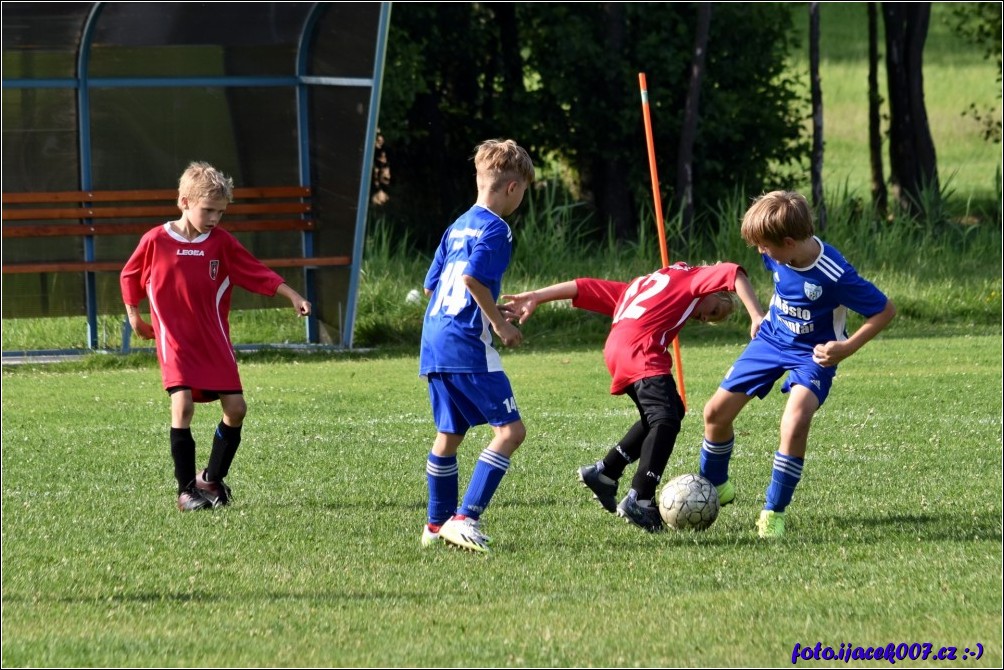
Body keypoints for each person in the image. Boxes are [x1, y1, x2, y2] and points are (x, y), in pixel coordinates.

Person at [503, 261, 763, 532]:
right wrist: (756, 315)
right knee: (665, 420)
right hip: (642, 351)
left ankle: (606, 472)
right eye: (714, 310)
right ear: (714, 289)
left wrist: (537, 296)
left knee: (671, 410)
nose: (704, 317)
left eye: (708, 319)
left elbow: (583, 287)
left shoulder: (646, 285)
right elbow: (734, 273)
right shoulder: (693, 280)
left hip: (619, 351)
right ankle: (641, 497)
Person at [700, 190, 896, 538]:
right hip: (772, 339)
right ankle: (714, 486)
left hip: (814, 353)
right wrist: (758, 315)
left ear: (789, 242)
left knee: (794, 421)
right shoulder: (776, 253)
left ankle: (773, 512)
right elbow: (738, 272)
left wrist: (847, 347)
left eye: (764, 246)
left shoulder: (834, 274)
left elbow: (884, 310)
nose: (760, 252)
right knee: (715, 413)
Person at [120, 161, 311, 512]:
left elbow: (257, 273)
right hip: (174, 341)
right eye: (207, 210)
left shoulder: (221, 243)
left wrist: (293, 296)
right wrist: (135, 317)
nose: (214, 218)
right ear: (184, 202)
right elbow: (129, 275)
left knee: (236, 409)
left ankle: (210, 478)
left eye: (220, 212)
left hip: (214, 341)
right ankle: (186, 491)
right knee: (183, 405)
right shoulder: (156, 240)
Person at [419, 138, 535, 552]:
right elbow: (472, 279)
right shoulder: (496, 228)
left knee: (448, 434)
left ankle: (435, 525)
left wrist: (482, 310)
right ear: (512, 188)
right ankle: (465, 517)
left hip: (434, 338)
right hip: (467, 343)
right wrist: (500, 323)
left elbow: (434, 287)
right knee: (511, 431)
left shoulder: (457, 225)